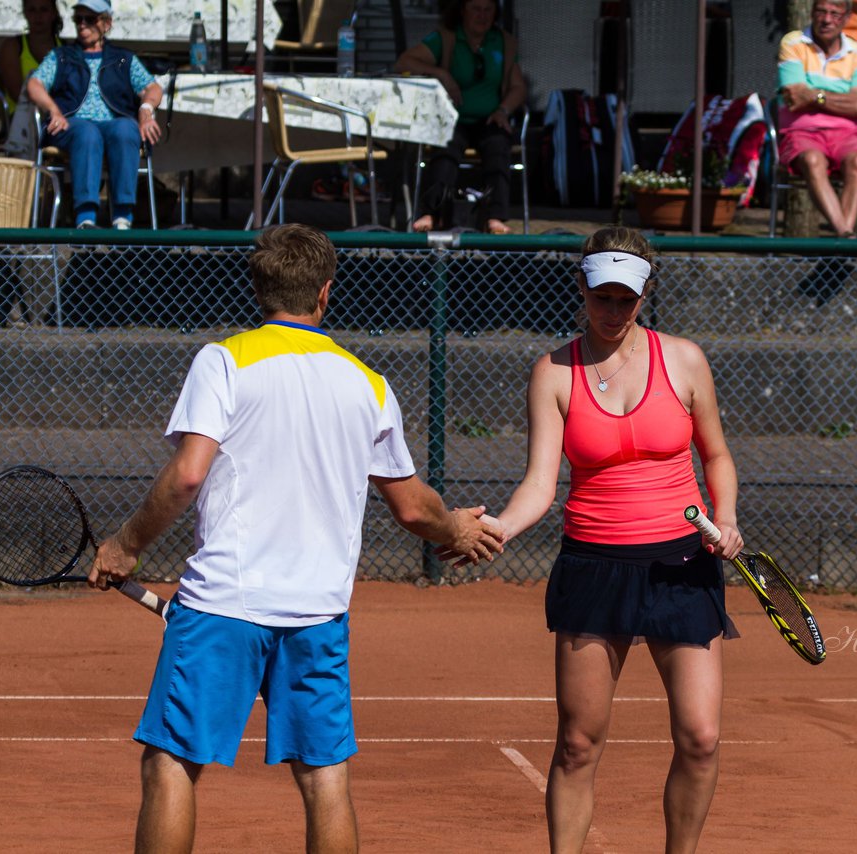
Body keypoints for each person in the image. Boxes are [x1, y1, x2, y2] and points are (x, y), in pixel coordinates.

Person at [87, 223, 503, 851]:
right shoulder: (367, 383)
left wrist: (125, 544)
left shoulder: (223, 360)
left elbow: (187, 476)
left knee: (172, 762)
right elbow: (415, 510)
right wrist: (460, 531)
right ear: (325, 293)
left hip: (222, 605)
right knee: (324, 777)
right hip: (318, 613)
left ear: (258, 289)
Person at [467, 226, 742, 853]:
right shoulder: (553, 372)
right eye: (602, 297)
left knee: (700, 737)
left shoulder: (685, 360)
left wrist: (725, 518)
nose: (613, 311)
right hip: (595, 565)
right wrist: (503, 527)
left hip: (682, 564)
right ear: (582, 290)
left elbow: (718, 456)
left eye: (626, 299)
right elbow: (541, 482)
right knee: (578, 742)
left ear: (646, 295)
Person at [393, 0, 526, 235]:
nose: (482, 15)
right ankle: (432, 212)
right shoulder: (447, 38)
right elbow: (403, 62)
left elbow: (518, 87)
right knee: (445, 148)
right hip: (452, 118)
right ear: (462, 9)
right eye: (476, 8)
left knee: (498, 145)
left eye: (488, 9)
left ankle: (494, 217)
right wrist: (441, 73)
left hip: (489, 119)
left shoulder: (503, 42)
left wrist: (503, 110)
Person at [25, 0, 161, 229]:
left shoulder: (122, 58)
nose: (83, 25)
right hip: (72, 124)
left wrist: (146, 111)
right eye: (78, 19)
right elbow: (35, 84)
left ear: (106, 24)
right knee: (88, 133)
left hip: (112, 124)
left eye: (90, 19)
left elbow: (152, 87)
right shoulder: (62, 56)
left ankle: (122, 217)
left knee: (126, 128)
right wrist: (54, 110)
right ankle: (85, 218)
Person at [776, 0, 857, 238]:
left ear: (846, 18)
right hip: (802, 130)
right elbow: (793, 96)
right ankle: (845, 235)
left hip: (847, 133)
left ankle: (844, 238)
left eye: (834, 13)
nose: (826, 19)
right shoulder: (793, 43)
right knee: (812, 160)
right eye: (821, 12)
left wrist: (815, 95)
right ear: (812, 13)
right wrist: (845, 101)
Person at [0, 0, 64, 159]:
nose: (38, 16)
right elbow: (17, 93)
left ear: (54, 13)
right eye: (32, 10)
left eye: (44, 10)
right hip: (20, 118)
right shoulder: (12, 46)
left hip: (60, 115)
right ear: (25, 13)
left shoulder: (65, 49)